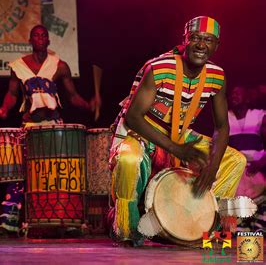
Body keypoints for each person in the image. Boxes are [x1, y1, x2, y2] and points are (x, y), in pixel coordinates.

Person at [109, 16, 246, 246]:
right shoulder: (160, 67)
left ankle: (201, 227)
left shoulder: (216, 76)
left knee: (234, 161)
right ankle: (127, 227)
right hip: (140, 133)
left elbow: (222, 127)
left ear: (217, 45)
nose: (202, 45)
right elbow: (133, 118)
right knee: (128, 159)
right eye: (195, 38)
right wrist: (176, 149)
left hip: (178, 137)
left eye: (208, 40)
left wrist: (212, 168)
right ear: (185, 39)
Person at [0, 24, 101, 234]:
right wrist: (4, 109)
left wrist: (89, 105)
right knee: (21, 173)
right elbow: (12, 94)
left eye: (44, 35)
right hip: (30, 126)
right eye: (36, 36)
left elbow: (73, 96)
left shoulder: (60, 66)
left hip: (53, 126)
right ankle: (9, 223)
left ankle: (66, 218)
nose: (40, 38)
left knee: (58, 172)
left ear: (48, 40)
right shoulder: (18, 66)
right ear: (31, 40)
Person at [228, 85, 265, 231]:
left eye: (238, 93)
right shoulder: (226, 118)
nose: (233, 96)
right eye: (232, 94)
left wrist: (262, 162)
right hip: (236, 171)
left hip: (258, 169)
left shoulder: (259, 115)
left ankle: (256, 228)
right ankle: (242, 229)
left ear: (247, 99)